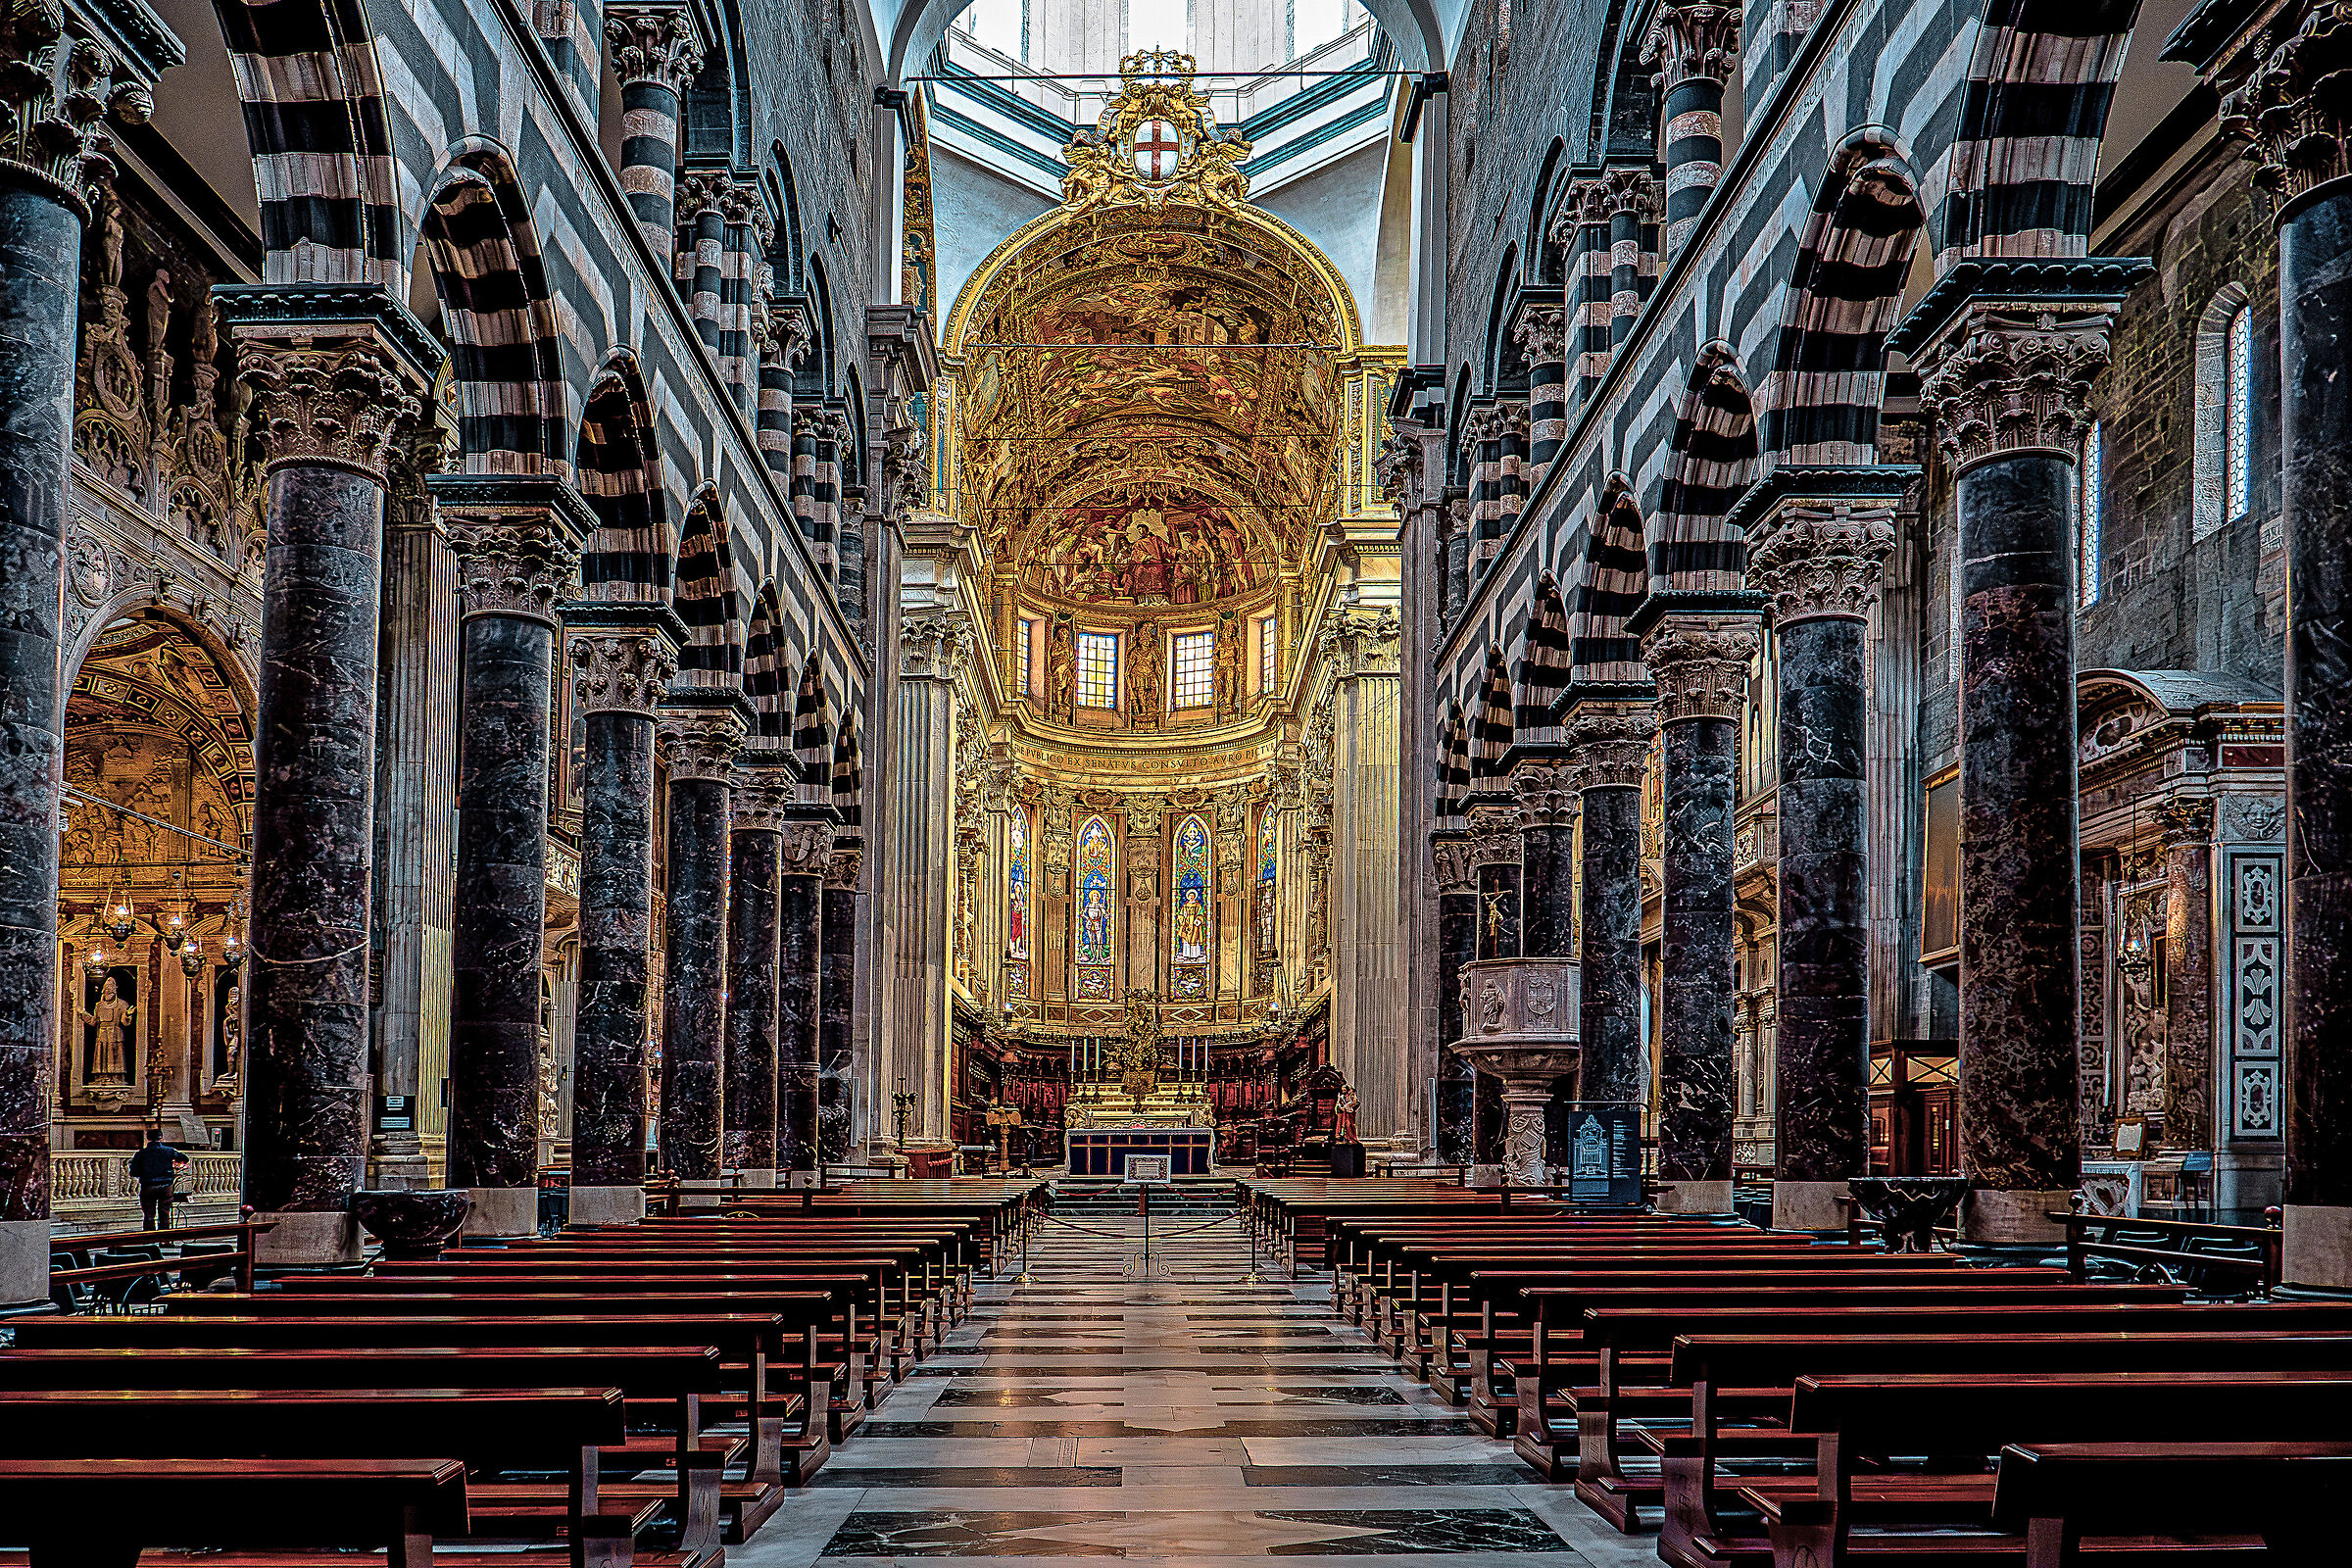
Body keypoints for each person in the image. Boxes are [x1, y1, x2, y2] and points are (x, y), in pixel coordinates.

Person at [128, 1129, 188, 1231]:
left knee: (149, 1214)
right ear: (161, 1137)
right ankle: (164, 1236)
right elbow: (185, 1158)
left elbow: (134, 1172)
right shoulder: (169, 1151)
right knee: (165, 1213)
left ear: (148, 1138)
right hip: (166, 1186)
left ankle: (149, 1236)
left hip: (148, 1186)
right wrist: (175, 1164)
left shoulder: (141, 1153)